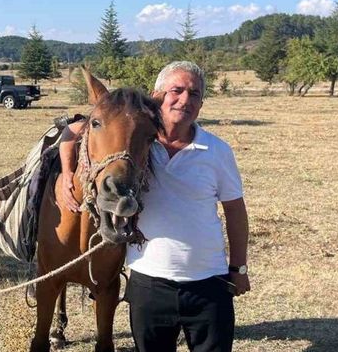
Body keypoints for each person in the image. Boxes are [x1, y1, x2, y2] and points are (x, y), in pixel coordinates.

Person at [58, 61, 250, 352]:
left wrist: (239, 267)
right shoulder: (137, 144)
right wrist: (65, 178)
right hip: (148, 283)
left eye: (195, 93)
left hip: (209, 282)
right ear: (158, 95)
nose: (185, 99)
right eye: (177, 90)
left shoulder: (217, 151)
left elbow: (235, 211)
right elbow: (76, 132)